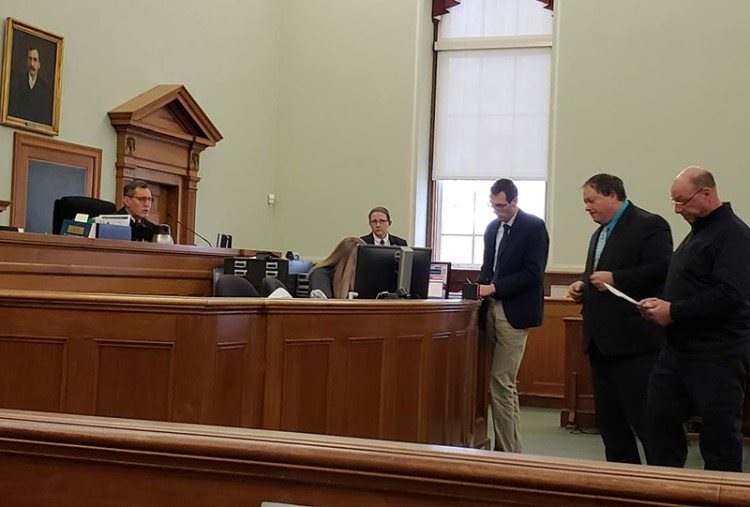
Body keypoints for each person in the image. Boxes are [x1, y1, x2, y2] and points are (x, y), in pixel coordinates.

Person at [639, 167, 750, 472]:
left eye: (683, 202)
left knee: (719, 436)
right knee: (659, 425)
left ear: (706, 193)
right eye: (674, 202)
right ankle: (667, 491)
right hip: (678, 351)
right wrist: (660, 303)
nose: (677, 210)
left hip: (718, 353)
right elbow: (690, 284)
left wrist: (672, 311)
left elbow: (729, 294)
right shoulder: (699, 232)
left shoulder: (734, 235)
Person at [567, 174, 672, 464]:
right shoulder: (599, 233)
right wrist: (583, 287)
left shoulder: (649, 224)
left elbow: (663, 268)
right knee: (611, 424)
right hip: (600, 343)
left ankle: (662, 483)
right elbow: (599, 278)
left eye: (591, 200)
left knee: (646, 421)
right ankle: (622, 482)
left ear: (612, 195)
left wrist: (617, 278)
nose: (587, 208)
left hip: (635, 344)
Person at [477, 178, 549, 453]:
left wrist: (495, 287)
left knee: (501, 380)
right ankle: (504, 447)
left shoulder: (533, 227)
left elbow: (533, 273)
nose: (497, 210)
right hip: (490, 309)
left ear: (515, 201)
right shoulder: (492, 228)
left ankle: (509, 452)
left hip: (515, 312)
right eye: (492, 205)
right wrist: (475, 291)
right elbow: (488, 266)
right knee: (497, 382)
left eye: (501, 205)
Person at [8, 47, 53, 125]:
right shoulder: (16, 82)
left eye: (35, 60)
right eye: (30, 59)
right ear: (27, 61)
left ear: (39, 64)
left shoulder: (45, 89)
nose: (32, 64)